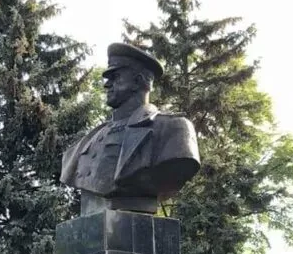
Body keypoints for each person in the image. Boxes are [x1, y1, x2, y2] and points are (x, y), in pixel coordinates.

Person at [61, 42, 200, 215]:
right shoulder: (87, 141)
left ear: (138, 81)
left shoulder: (174, 129)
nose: (107, 84)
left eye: (115, 77)